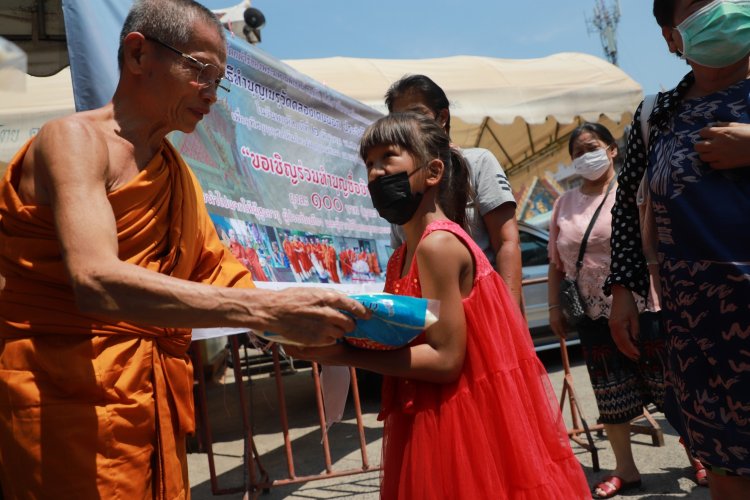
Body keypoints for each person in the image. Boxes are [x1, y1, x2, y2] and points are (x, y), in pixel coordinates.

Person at [0, 1, 369, 497]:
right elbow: (95, 281)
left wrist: (305, 330)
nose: (212, 95)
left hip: (146, 398)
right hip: (64, 399)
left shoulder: (177, 176)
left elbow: (220, 273)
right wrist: (265, 309)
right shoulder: (72, 140)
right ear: (138, 55)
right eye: (202, 73)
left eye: (220, 82)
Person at [287, 112, 590, 499]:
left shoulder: (438, 246)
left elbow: (446, 360)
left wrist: (344, 354)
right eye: (369, 164)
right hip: (426, 411)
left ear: (432, 172)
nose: (376, 174)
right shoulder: (401, 256)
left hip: (456, 418)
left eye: (388, 158)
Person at [606, 1, 750, 497]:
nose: (720, 9)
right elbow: (627, 206)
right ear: (672, 38)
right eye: (698, 4)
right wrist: (625, 288)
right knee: (727, 467)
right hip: (698, 330)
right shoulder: (656, 113)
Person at [548, 123, 680, 498]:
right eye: (576, 152)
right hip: (592, 313)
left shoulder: (633, 191)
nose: (583, 156)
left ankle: (699, 456)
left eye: (590, 147)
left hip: (643, 304)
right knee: (610, 392)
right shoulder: (564, 202)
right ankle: (626, 469)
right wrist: (555, 306)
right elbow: (557, 263)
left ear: (611, 149)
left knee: (669, 384)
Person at [383, 75, 524, 309]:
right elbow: (402, 259)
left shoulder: (478, 162)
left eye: (417, 114)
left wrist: (507, 312)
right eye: (400, 119)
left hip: (484, 308)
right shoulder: (399, 182)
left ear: (442, 117)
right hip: (429, 318)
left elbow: (507, 243)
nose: (409, 125)